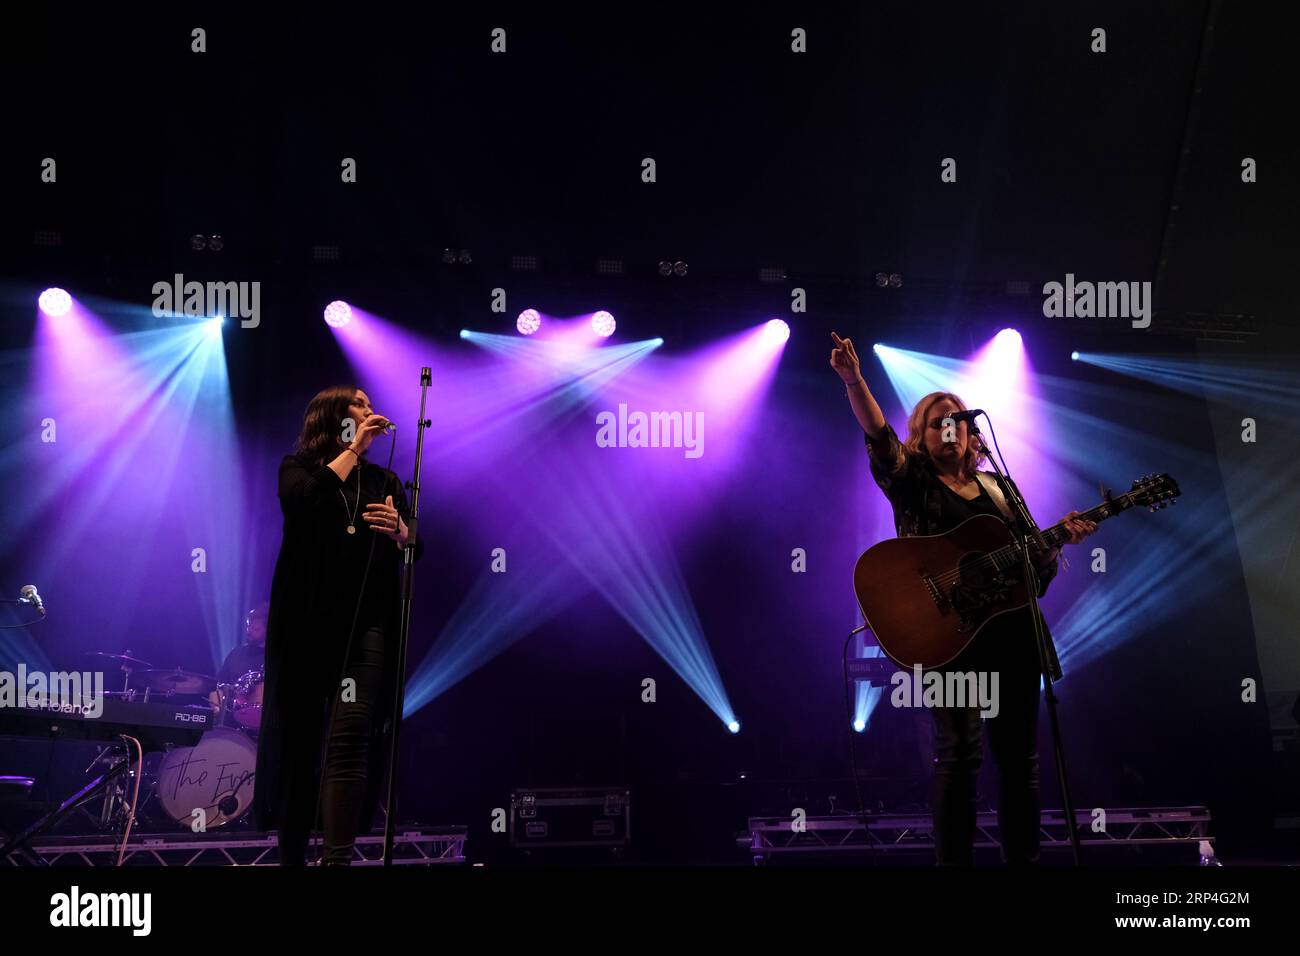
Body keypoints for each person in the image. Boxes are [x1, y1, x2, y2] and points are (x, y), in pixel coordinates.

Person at [830, 332, 1096, 865]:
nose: (949, 427)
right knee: (959, 756)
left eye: (958, 420)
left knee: (1021, 761)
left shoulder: (1001, 488)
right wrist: (854, 380)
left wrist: (1054, 544)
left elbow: (1030, 577)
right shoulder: (912, 483)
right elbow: (879, 439)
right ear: (922, 436)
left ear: (973, 434)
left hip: (1013, 637)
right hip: (950, 638)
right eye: (936, 421)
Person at [253, 384, 424, 866]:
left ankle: (337, 860)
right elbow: (304, 504)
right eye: (359, 405)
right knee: (300, 744)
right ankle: (291, 860)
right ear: (332, 417)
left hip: (365, 623)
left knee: (350, 737)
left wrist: (401, 531)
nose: (371, 412)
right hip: (307, 625)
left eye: (371, 407)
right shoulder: (298, 469)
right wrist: (353, 450)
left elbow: (417, 543)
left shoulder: (385, 480)